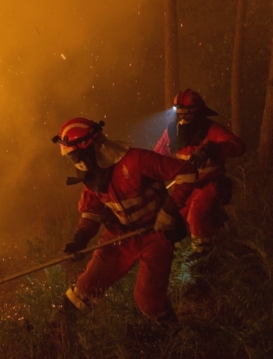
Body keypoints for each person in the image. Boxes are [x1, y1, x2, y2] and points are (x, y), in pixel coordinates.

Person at [52, 117, 197, 322]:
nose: (75, 161)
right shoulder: (93, 177)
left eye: (74, 155)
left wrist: (168, 211)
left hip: (155, 234)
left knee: (148, 300)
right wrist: (79, 240)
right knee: (85, 287)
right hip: (119, 236)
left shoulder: (137, 160)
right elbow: (90, 214)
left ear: (89, 147)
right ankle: (58, 330)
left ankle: (175, 333)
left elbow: (186, 173)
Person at [154, 89, 246, 259]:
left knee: (197, 213)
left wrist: (212, 149)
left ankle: (204, 255)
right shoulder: (172, 132)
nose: (182, 118)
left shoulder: (211, 129)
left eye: (186, 114)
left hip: (210, 182)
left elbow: (238, 146)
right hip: (184, 185)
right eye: (179, 114)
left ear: (197, 112)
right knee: (174, 216)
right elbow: (157, 157)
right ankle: (174, 252)